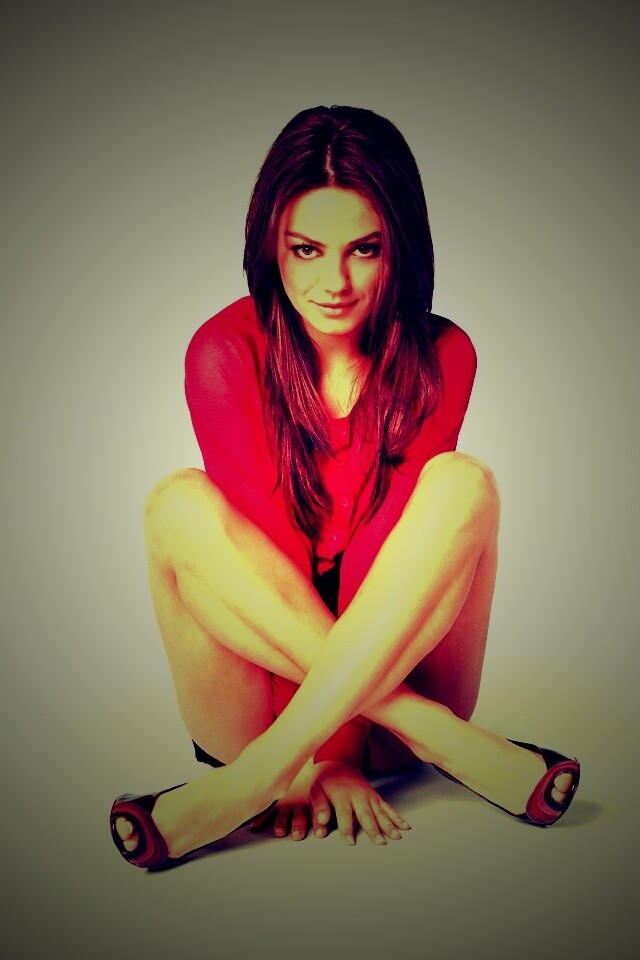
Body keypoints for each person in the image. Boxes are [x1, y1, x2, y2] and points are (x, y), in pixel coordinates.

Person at [110, 105, 580, 869]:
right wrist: (319, 757)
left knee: (464, 484)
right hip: (254, 709)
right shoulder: (224, 351)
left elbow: (377, 558)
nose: (334, 283)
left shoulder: (443, 354)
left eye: (365, 249)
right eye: (306, 249)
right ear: (271, 244)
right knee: (176, 504)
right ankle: (445, 745)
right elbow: (273, 560)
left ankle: (247, 786)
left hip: (392, 680)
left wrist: (332, 754)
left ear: (401, 248)